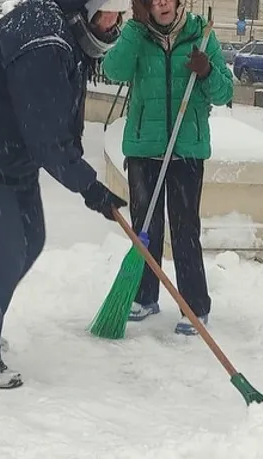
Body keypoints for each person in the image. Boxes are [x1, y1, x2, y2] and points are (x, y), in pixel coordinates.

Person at [0, 0, 130, 389]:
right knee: (4, 255)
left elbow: (53, 124)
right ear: (88, 10)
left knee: (32, 239)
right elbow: (48, 138)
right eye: (111, 14)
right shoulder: (45, 41)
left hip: (11, 156)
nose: (115, 24)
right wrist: (91, 189)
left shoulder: (61, 28)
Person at [101, 0, 233, 335]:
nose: (161, 2)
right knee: (146, 227)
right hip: (145, 148)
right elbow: (113, 70)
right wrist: (133, 27)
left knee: (185, 229)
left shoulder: (201, 35)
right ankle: (145, 296)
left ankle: (194, 306)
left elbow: (225, 92)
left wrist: (206, 72)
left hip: (186, 150)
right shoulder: (137, 35)